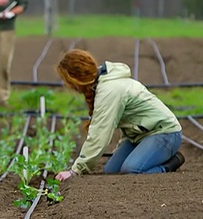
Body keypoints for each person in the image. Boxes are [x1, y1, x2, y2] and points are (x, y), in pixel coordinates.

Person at [54, 49, 185, 180]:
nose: (68, 86)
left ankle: (169, 164)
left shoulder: (109, 90)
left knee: (132, 170)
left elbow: (100, 133)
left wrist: (75, 170)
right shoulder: (101, 82)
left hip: (165, 133)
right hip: (141, 135)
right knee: (112, 171)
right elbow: (128, 122)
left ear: (76, 78)